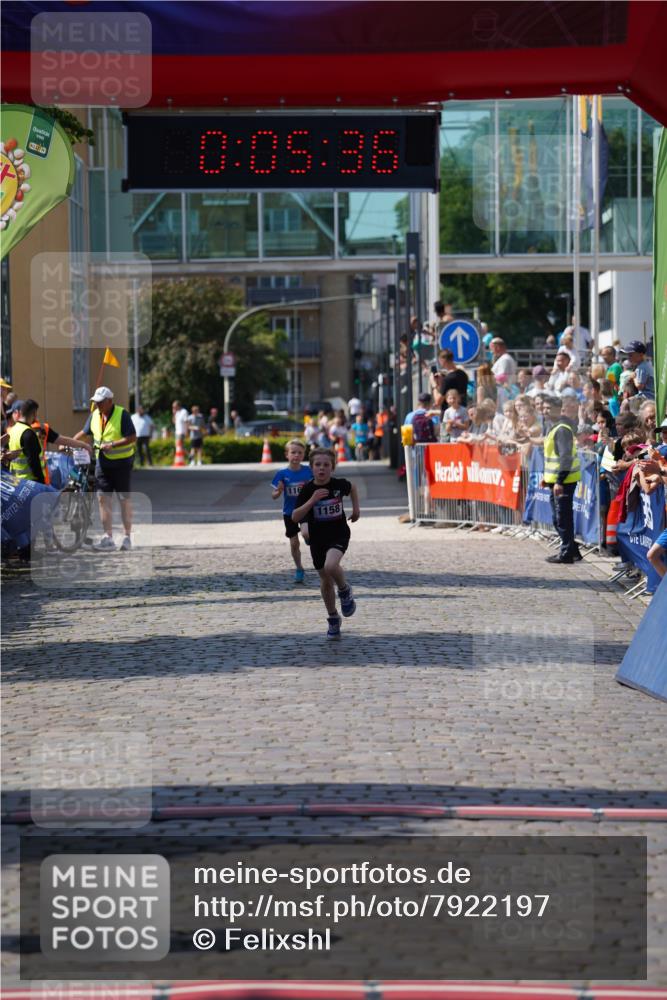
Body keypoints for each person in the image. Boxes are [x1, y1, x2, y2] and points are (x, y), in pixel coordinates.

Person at [292, 446, 360, 639]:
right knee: (325, 579)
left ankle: (345, 590)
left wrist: (356, 510)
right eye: (318, 465)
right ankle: (333, 618)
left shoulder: (338, 485)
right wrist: (312, 501)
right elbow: (296, 517)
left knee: (331, 565)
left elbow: (353, 487)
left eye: (326, 465)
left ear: (333, 467)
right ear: (311, 468)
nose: (322, 469)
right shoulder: (307, 490)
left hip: (339, 534)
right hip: (317, 539)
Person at [75, 386, 137, 551]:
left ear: (110, 401)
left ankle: (127, 537)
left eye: (100, 402)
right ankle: (107, 536)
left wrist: (112, 444)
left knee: (124, 500)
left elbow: (132, 437)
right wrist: (71, 442)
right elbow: (84, 432)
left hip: (122, 464)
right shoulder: (94, 415)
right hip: (102, 464)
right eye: (95, 402)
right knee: (103, 499)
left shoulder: (121, 414)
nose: (97, 405)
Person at [5, 398, 91, 483]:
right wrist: (83, 445)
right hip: (33, 483)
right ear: (34, 413)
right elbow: (34, 463)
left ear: (19, 413)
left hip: (16, 483)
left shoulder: (12, 431)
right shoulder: (38, 430)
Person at [542, 395, 582, 564]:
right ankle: (573, 550)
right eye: (543, 408)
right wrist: (548, 479)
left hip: (564, 481)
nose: (544, 411)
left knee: (562, 518)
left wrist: (559, 480)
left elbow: (565, 457)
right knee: (558, 518)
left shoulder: (562, 429)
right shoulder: (553, 427)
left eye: (548, 408)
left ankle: (566, 553)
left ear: (558, 410)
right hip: (557, 480)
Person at [271, 439, 312, 584]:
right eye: (293, 452)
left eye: (300, 453)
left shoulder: (308, 471)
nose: (296, 455)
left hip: (305, 509)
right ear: (286, 455)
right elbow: (274, 496)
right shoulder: (282, 474)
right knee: (294, 544)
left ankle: (309, 538)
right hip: (289, 513)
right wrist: (279, 490)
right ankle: (299, 568)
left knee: (306, 533)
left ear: (303, 455)